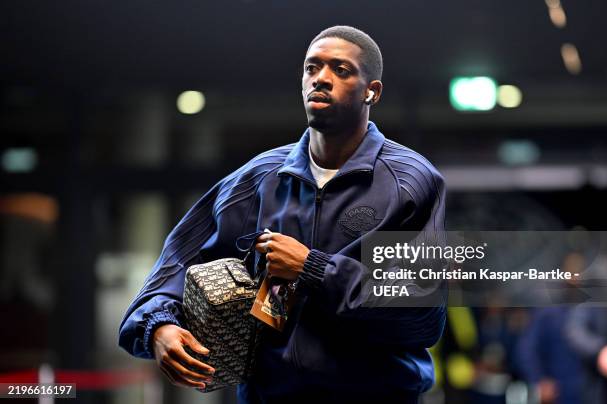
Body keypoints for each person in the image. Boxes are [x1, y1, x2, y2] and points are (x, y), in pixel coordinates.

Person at [119, 25, 447, 403]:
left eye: (340, 70)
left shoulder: (411, 181)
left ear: (372, 91)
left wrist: (312, 268)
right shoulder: (258, 179)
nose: (321, 79)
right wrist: (159, 328)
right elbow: (174, 266)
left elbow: (422, 315)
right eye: (312, 68)